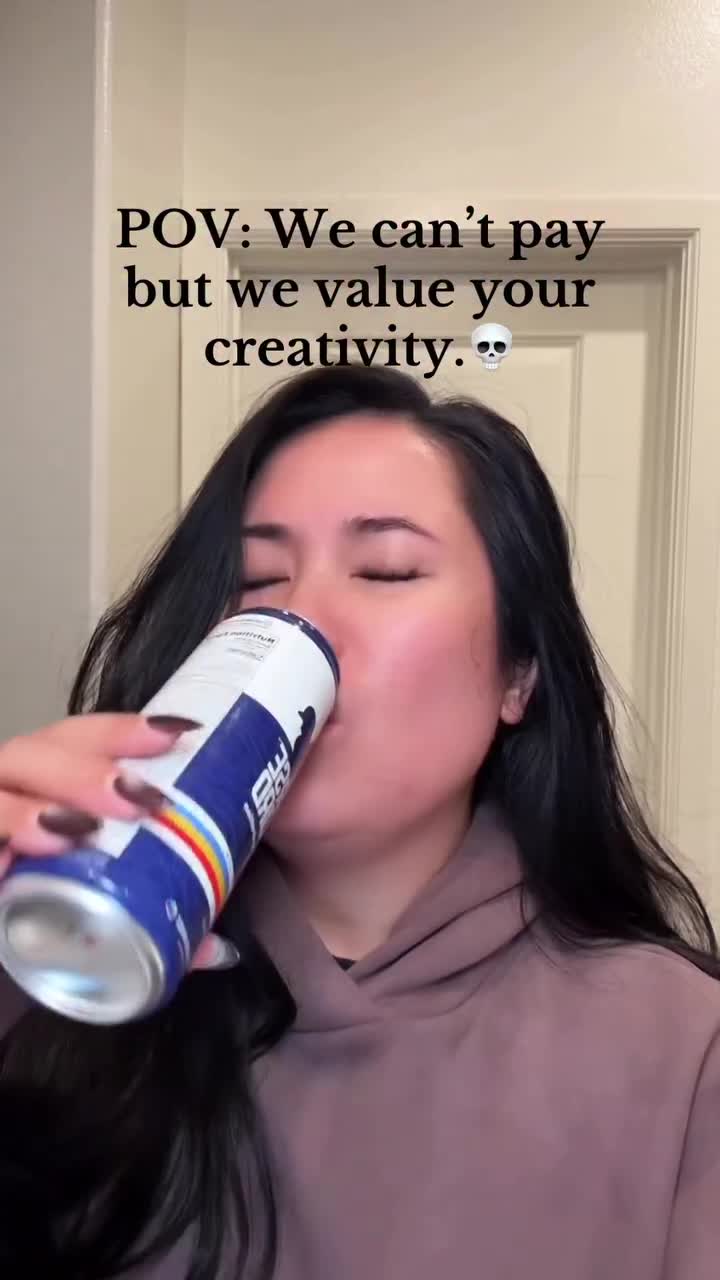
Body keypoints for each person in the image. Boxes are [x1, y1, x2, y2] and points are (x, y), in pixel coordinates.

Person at [0, 364, 718, 1280]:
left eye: (385, 570)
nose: (299, 617)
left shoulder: (683, 1050)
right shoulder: (59, 984)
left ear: (518, 675)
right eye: (259, 580)